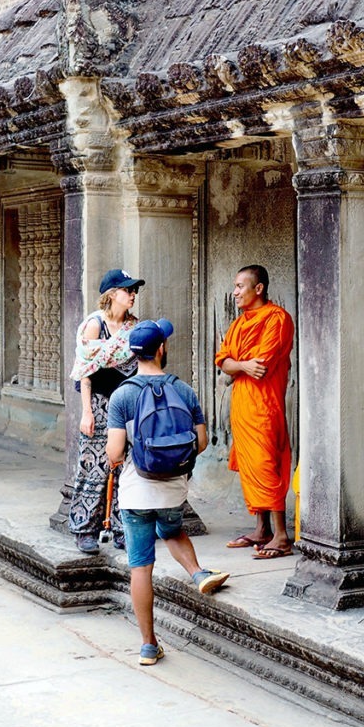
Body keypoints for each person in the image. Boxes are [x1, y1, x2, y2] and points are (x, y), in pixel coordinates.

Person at [106, 318, 229, 667]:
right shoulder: (184, 390)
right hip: (173, 490)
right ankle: (198, 573)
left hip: (135, 493)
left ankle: (148, 645)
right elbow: (201, 442)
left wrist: (121, 456)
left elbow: (115, 453)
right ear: (161, 350)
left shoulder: (123, 395)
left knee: (141, 567)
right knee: (173, 529)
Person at [215, 265, 295, 559]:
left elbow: (261, 364)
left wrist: (240, 365)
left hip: (265, 405)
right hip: (242, 405)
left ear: (258, 289)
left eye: (240, 286)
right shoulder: (239, 324)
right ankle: (261, 529)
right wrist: (241, 365)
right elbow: (222, 359)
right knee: (250, 466)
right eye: (234, 286)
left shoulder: (277, 319)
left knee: (266, 464)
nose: (235, 292)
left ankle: (282, 535)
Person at [68, 269, 143, 554]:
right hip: (99, 402)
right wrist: (86, 412)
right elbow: (85, 372)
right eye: (127, 290)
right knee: (94, 465)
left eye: (134, 290)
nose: (132, 295)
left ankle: (124, 529)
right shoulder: (94, 326)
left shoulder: (134, 328)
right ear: (112, 294)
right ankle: (85, 528)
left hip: (126, 404)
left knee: (126, 466)